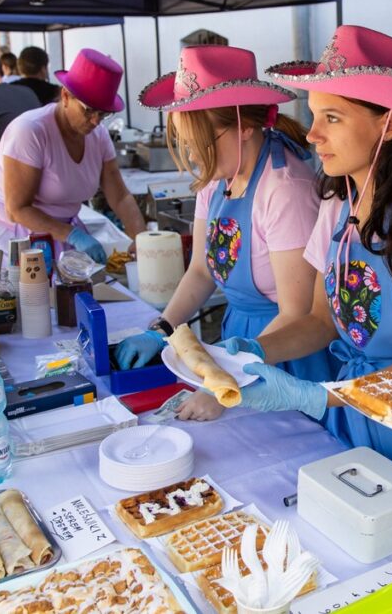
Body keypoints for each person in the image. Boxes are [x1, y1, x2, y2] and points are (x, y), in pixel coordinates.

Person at [220, 26, 392, 533]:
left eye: (332, 117)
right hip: (355, 400)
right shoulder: (340, 201)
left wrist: (316, 396)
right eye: (313, 115)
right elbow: (320, 320)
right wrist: (253, 352)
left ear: (388, 123)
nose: (312, 134)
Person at [115, 45, 334, 421]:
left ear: (243, 126)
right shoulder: (216, 178)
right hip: (239, 342)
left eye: (198, 142)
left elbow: (297, 313)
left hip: (283, 353)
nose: (191, 155)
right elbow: (201, 271)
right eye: (184, 143)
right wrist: (162, 329)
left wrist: (227, 380)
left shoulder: (285, 190)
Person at [0, 48, 143, 264]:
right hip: (15, 236)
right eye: (88, 110)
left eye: (103, 113)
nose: (95, 121)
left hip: (61, 232)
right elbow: (17, 209)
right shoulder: (30, 131)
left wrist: (142, 238)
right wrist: (72, 235)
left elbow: (120, 196)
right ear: (66, 96)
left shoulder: (99, 136)